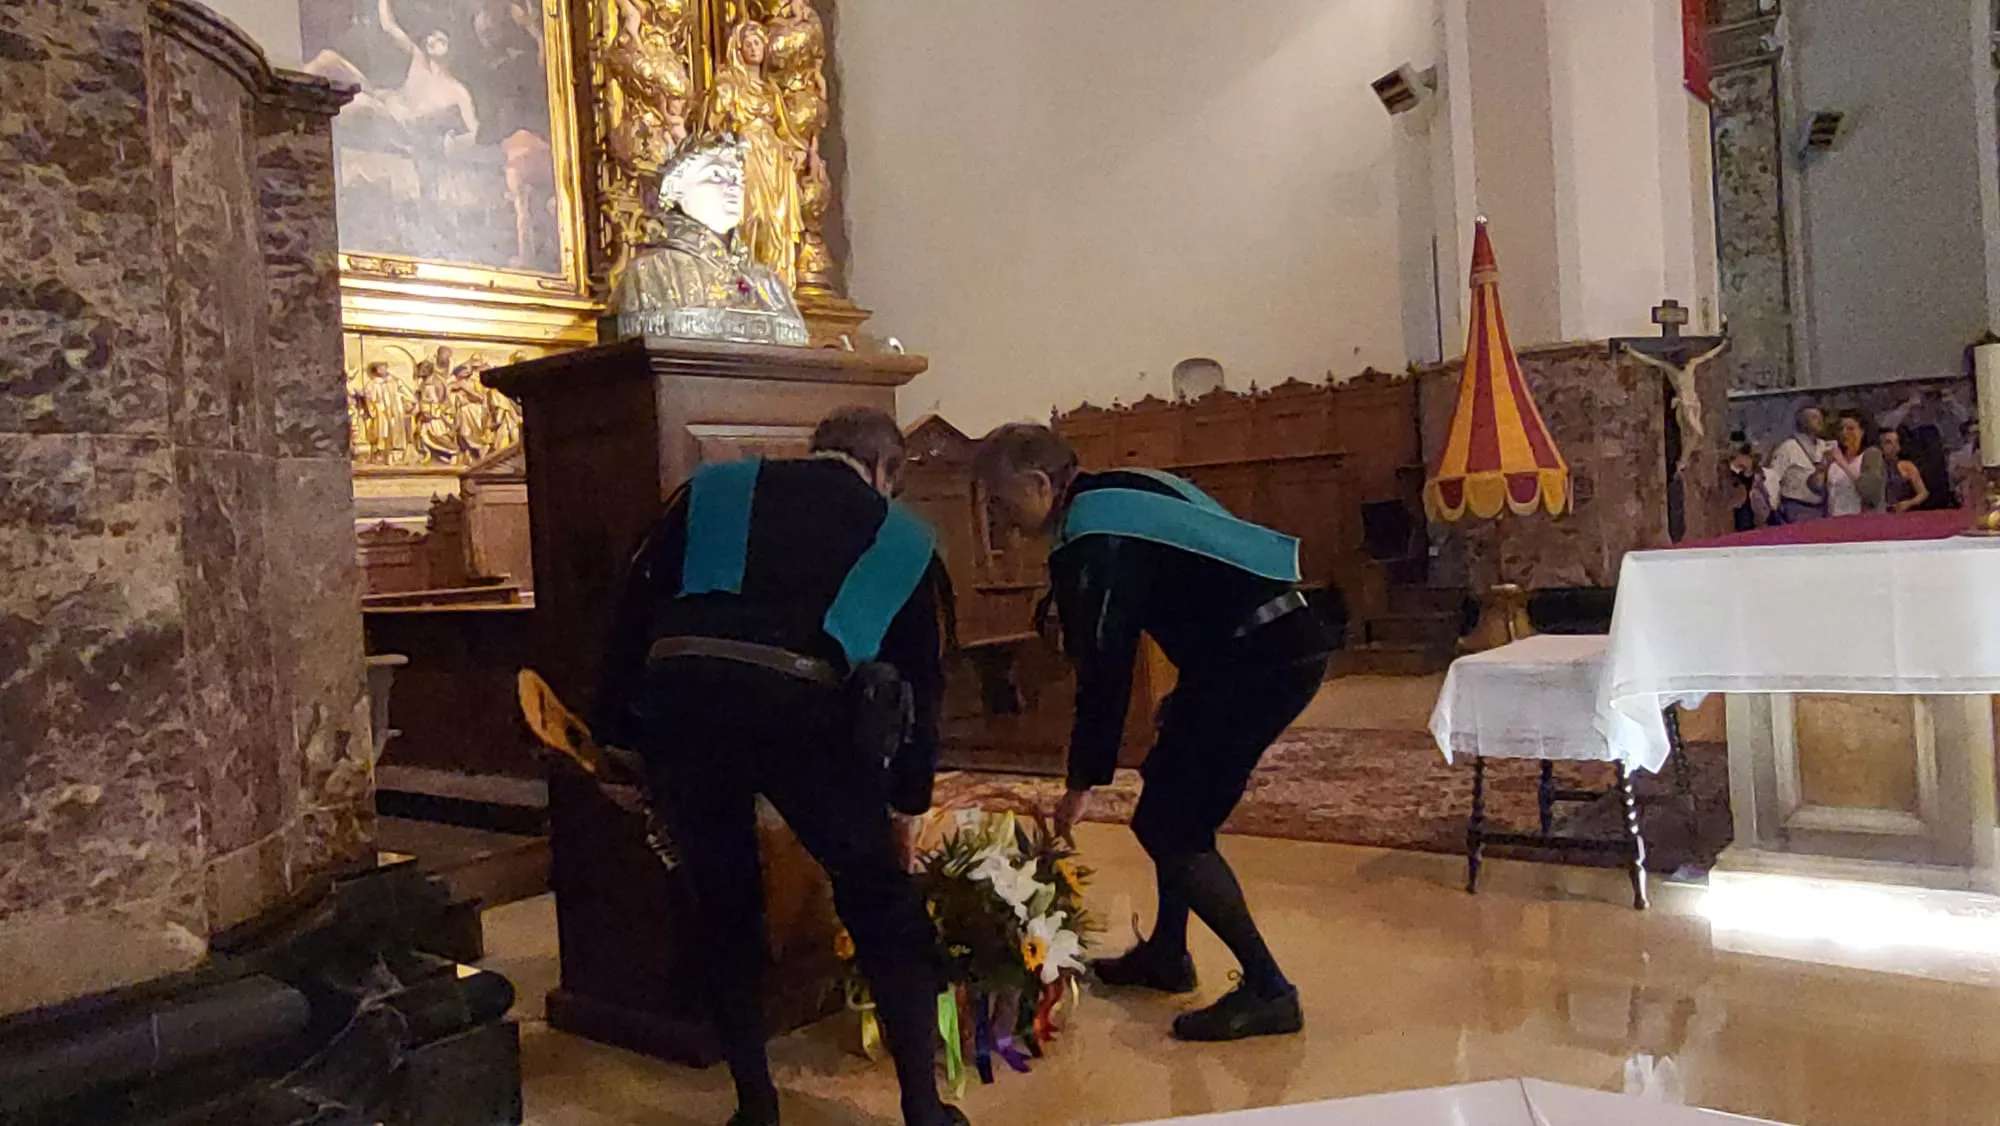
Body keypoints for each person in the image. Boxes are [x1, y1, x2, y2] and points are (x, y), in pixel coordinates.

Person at [593, 408, 965, 1126]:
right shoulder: (901, 535)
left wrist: (616, 742)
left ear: (815, 448)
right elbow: (921, 679)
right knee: (881, 903)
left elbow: (632, 609)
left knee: (724, 904)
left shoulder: (711, 490)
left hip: (684, 705)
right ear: (886, 470)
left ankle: (755, 1106)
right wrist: (906, 801)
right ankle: (923, 1108)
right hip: (806, 714)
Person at [972, 424, 1335, 1043]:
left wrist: (1081, 782)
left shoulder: (1092, 533)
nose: (1001, 523)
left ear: (1038, 484)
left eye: (1002, 505)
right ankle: (1168, 955)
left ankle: (1270, 990)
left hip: (1259, 661)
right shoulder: (1122, 488)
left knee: (1173, 827)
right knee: (1167, 791)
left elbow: (1105, 665)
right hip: (1265, 645)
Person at [1768, 406, 1832, 523]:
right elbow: (1773, 478)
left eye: (1821, 417)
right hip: (1796, 508)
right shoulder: (1787, 448)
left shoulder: (1825, 447)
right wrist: (1774, 508)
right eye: (1814, 417)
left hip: (1822, 508)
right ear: (1803, 423)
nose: (1820, 421)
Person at [1824, 410, 1884, 516]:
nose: (1844, 433)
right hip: (1835, 517)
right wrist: (1822, 466)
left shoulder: (1871, 454)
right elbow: (1817, 489)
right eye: (1841, 429)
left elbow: (1871, 494)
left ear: (1862, 431)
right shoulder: (1835, 458)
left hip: (1861, 518)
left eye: (1850, 429)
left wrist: (1843, 464)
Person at [1878, 429, 1930, 513]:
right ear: (1880, 445)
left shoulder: (1906, 466)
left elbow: (1923, 493)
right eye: (1888, 442)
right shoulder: (1874, 467)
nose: (1894, 446)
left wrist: (1908, 503)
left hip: (1900, 512)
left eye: (1896, 441)